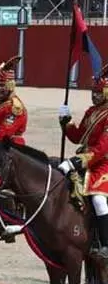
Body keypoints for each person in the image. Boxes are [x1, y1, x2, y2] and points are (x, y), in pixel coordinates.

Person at [58, 74, 108, 257]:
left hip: (103, 164)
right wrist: (67, 123)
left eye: (98, 92)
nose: (95, 95)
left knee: (98, 200)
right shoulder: (91, 111)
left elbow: (102, 148)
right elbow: (78, 136)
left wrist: (77, 161)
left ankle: (105, 244)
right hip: (86, 161)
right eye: (93, 92)